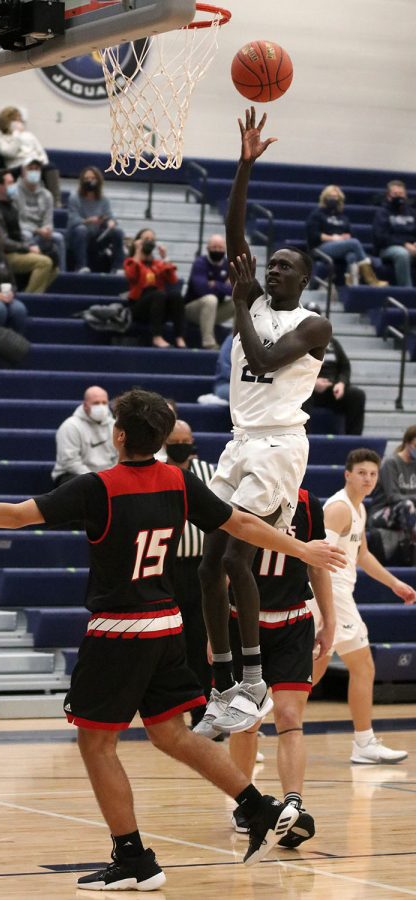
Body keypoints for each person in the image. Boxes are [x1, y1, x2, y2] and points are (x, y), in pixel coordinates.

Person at [0, 388, 345, 888]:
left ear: (119, 433)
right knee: (171, 733)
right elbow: (240, 522)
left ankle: (132, 857)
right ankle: (258, 809)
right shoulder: (177, 480)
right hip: (168, 625)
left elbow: (17, 515)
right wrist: (303, 548)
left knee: (96, 742)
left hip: (120, 630)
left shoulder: (98, 487)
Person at [196, 107, 333, 736]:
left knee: (233, 561)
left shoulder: (312, 325)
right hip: (238, 443)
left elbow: (258, 356)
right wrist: (245, 165)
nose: (269, 269)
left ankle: (253, 681)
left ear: (303, 279)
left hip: (279, 446)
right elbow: (234, 231)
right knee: (205, 562)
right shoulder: (251, 297)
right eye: (268, 264)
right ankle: (223, 683)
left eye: (282, 266)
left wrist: (238, 301)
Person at [199, 490, 336, 849]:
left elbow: (316, 563)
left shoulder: (308, 503)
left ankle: (293, 804)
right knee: (248, 721)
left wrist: (330, 620)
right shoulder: (244, 499)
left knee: (290, 717)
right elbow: (219, 571)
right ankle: (246, 804)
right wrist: (215, 634)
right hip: (243, 625)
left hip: (293, 622)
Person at [311, 448, 415, 764]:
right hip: (333, 595)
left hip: (335, 596)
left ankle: (249, 726)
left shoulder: (359, 509)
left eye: (372, 474)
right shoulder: (339, 508)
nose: (368, 479)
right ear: (348, 475)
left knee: (308, 675)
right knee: (364, 665)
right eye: (362, 473)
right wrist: (329, 608)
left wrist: (394, 583)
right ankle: (364, 743)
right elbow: (320, 560)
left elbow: (363, 555)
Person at [165, 419, 216, 727]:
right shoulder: (156, 471)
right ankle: (167, 710)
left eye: (186, 439)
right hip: (166, 569)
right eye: (175, 440)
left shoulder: (210, 473)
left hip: (200, 568)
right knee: (169, 642)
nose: (182, 444)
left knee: (200, 642)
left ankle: (203, 713)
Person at [0, 170, 56, 294]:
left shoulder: (11, 207)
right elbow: (2, 241)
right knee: (44, 263)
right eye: (10, 183)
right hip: (4, 255)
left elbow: (17, 234)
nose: (14, 186)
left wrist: (30, 246)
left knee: (54, 267)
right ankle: (29, 299)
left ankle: (30, 292)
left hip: (17, 250)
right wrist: (27, 248)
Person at [302, 301, 366, 435]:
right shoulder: (295, 341)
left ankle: (352, 441)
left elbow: (345, 367)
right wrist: (312, 383)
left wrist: (342, 383)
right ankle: (303, 438)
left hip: (332, 390)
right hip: (308, 390)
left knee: (357, 395)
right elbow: (290, 371)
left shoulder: (332, 343)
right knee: (302, 397)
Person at [306, 185, 386, 286]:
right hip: (320, 247)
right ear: (324, 197)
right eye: (330, 196)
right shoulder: (317, 214)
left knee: (351, 256)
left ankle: (350, 284)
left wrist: (346, 237)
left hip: (341, 246)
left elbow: (351, 234)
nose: (333, 199)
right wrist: (335, 238)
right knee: (354, 243)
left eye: (336, 197)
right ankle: (370, 279)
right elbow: (314, 235)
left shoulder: (343, 217)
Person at [124, 229, 186, 349]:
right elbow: (132, 276)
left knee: (176, 295)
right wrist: (137, 250)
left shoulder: (157, 263)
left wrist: (165, 257)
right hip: (139, 306)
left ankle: (180, 337)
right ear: (138, 242)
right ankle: (157, 337)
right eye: (146, 239)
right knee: (159, 294)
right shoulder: (130, 262)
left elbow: (173, 280)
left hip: (158, 306)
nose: (149, 242)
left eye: (152, 240)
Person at [0, 106, 61, 206]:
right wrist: (17, 134)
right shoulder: (0, 140)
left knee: (51, 167)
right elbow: (9, 153)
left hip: (34, 163)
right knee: (27, 168)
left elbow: (41, 152)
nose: (19, 122)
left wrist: (42, 162)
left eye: (19, 119)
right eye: (15, 120)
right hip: (17, 166)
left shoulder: (29, 135)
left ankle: (55, 202)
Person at [51, 386, 117, 486]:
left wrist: (111, 477)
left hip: (107, 477)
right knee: (80, 483)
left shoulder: (115, 426)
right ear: (85, 405)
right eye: (96, 403)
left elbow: (120, 457)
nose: (101, 407)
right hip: (76, 476)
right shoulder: (70, 426)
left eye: (104, 403)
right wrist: (96, 479)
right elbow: (70, 462)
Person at [369, 425, 416, 563]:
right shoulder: (391, 463)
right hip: (382, 513)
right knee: (407, 505)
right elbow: (393, 497)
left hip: (409, 515)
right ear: (407, 443)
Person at [66, 167, 125, 273]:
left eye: (93, 178)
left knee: (117, 232)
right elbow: (73, 220)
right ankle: (81, 266)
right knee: (81, 230)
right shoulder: (74, 198)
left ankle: (118, 267)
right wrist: (88, 220)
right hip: (78, 236)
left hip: (97, 237)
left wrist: (111, 222)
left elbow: (110, 216)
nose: (90, 181)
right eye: (87, 178)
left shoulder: (104, 199)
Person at [15, 157, 65, 272]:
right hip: (23, 230)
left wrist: (47, 230)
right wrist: (37, 230)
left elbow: (48, 220)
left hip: (42, 233)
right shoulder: (15, 193)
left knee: (59, 238)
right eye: (30, 169)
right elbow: (17, 221)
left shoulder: (47, 195)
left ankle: (62, 273)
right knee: (25, 235)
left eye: (37, 169)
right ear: (23, 172)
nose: (34, 172)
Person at [185, 234, 234, 349]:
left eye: (220, 248)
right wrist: (223, 285)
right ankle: (209, 343)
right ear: (208, 249)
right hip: (192, 310)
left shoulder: (228, 265)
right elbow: (202, 289)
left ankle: (236, 342)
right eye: (214, 247)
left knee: (239, 302)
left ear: (225, 249)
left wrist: (215, 284)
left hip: (215, 310)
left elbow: (236, 290)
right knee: (210, 299)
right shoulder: (200, 263)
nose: (217, 250)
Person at [372, 180, 416, 287]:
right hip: (388, 248)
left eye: (401, 194)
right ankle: (407, 292)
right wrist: (404, 244)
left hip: (412, 247)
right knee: (402, 254)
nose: (399, 197)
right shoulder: (382, 213)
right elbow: (381, 237)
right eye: (395, 194)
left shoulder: (412, 212)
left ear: (406, 195)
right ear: (388, 196)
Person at [197, 331, 233, 406]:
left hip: (252, 386)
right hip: (226, 384)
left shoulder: (263, 340)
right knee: (249, 394)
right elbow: (226, 371)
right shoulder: (232, 340)